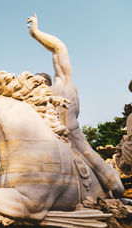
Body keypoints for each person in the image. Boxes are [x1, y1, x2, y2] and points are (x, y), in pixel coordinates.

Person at [27, 14, 124, 198]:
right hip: (52, 147)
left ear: (46, 83)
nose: (37, 89)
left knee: (110, 181)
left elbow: (59, 48)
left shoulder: (62, 85)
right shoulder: (37, 106)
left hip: (75, 140)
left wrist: (36, 33)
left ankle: (114, 187)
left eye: (39, 84)